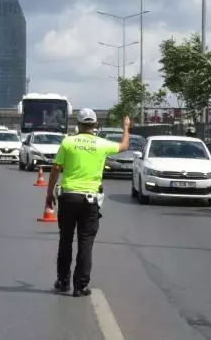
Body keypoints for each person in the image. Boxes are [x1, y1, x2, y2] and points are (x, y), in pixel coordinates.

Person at [46, 108, 131, 297]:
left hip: (68, 197)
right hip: (89, 200)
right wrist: (126, 127)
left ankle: (63, 282)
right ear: (94, 125)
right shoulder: (101, 144)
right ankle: (80, 286)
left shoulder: (68, 142)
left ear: (78, 124)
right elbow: (124, 146)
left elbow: (56, 169)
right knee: (86, 242)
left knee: (65, 241)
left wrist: (49, 193)